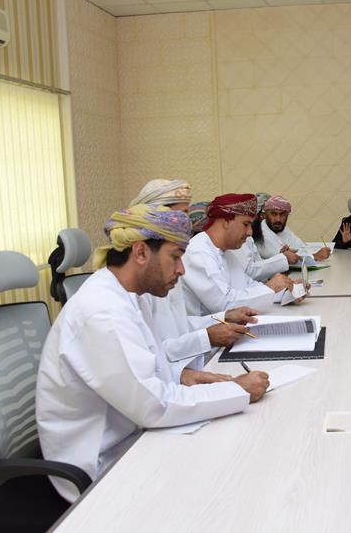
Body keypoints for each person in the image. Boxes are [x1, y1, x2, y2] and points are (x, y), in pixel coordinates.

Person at [36, 204, 270, 503]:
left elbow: (142, 370)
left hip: (132, 432)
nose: (182, 270)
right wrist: (237, 390)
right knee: (229, 482)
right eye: (175, 257)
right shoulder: (103, 312)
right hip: (103, 465)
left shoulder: (130, 296)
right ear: (141, 252)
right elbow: (154, 406)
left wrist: (182, 375)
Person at [180, 193, 298, 315]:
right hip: (206, 325)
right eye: (246, 224)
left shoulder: (226, 252)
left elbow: (246, 286)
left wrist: (285, 292)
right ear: (226, 221)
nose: (250, 232)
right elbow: (224, 304)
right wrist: (270, 288)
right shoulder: (198, 252)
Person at [231, 193, 291, 282]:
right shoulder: (237, 237)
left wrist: (280, 257)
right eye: (261, 215)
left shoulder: (249, 237)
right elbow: (248, 272)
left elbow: (259, 264)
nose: (263, 218)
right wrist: (282, 259)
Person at [256, 195, 331, 262]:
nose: (278, 219)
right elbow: (284, 258)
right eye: (274, 214)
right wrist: (314, 256)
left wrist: (313, 254)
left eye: (282, 214)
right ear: (264, 215)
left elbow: (302, 248)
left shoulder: (283, 229)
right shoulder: (259, 232)